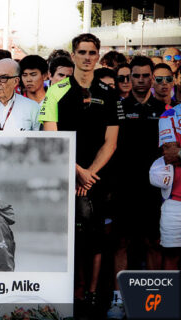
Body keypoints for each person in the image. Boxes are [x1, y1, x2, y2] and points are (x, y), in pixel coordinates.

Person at [40, 33, 119, 314]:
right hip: (63, 175)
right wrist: (77, 172)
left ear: (98, 56)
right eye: (82, 52)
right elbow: (51, 137)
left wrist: (89, 175)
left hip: (95, 178)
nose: (87, 57)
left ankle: (93, 294)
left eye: (92, 52)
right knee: (65, 238)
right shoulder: (55, 91)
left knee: (95, 237)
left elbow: (111, 142)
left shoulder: (109, 94)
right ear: (73, 55)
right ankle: (69, 292)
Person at [108, 55, 167, 319]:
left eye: (146, 75)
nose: (141, 80)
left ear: (152, 78)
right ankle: (118, 300)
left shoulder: (165, 109)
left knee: (153, 243)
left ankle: (152, 302)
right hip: (124, 187)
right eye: (136, 76)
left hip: (154, 190)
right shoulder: (118, 108)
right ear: (128, 78)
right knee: (121, 242)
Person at [154, 105, 181, 270]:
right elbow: (170, 154)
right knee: (171, 257)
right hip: (175, 203)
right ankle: (169, 296)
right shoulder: (169, 115)